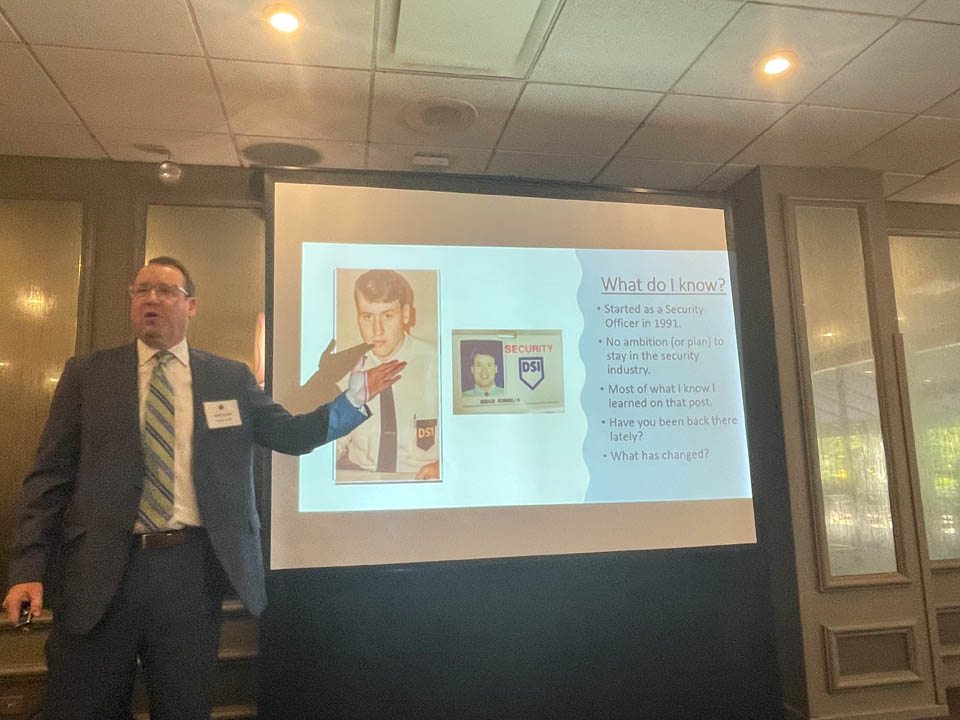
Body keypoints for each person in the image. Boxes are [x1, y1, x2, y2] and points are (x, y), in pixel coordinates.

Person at [2, 256, 403, 720]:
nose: (151, 298)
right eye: (142, 290)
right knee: (84, 708)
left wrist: (352, 398)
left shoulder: (228, 378)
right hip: (99, 573)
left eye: (165, 290)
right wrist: (27, 568)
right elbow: (49, 478)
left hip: (190, 573)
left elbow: (290, 435)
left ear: (190, 305)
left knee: (184, 707)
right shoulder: (89, 375)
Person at [336, 269, 439, 481]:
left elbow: (472, 435)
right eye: (367, 317)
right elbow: (331, 443)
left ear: (406, 314)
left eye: (387, 316)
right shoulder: (342, 369)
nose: (377, 330)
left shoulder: (439, 362)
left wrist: (446, 464)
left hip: (423, 483)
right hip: (360, 481)